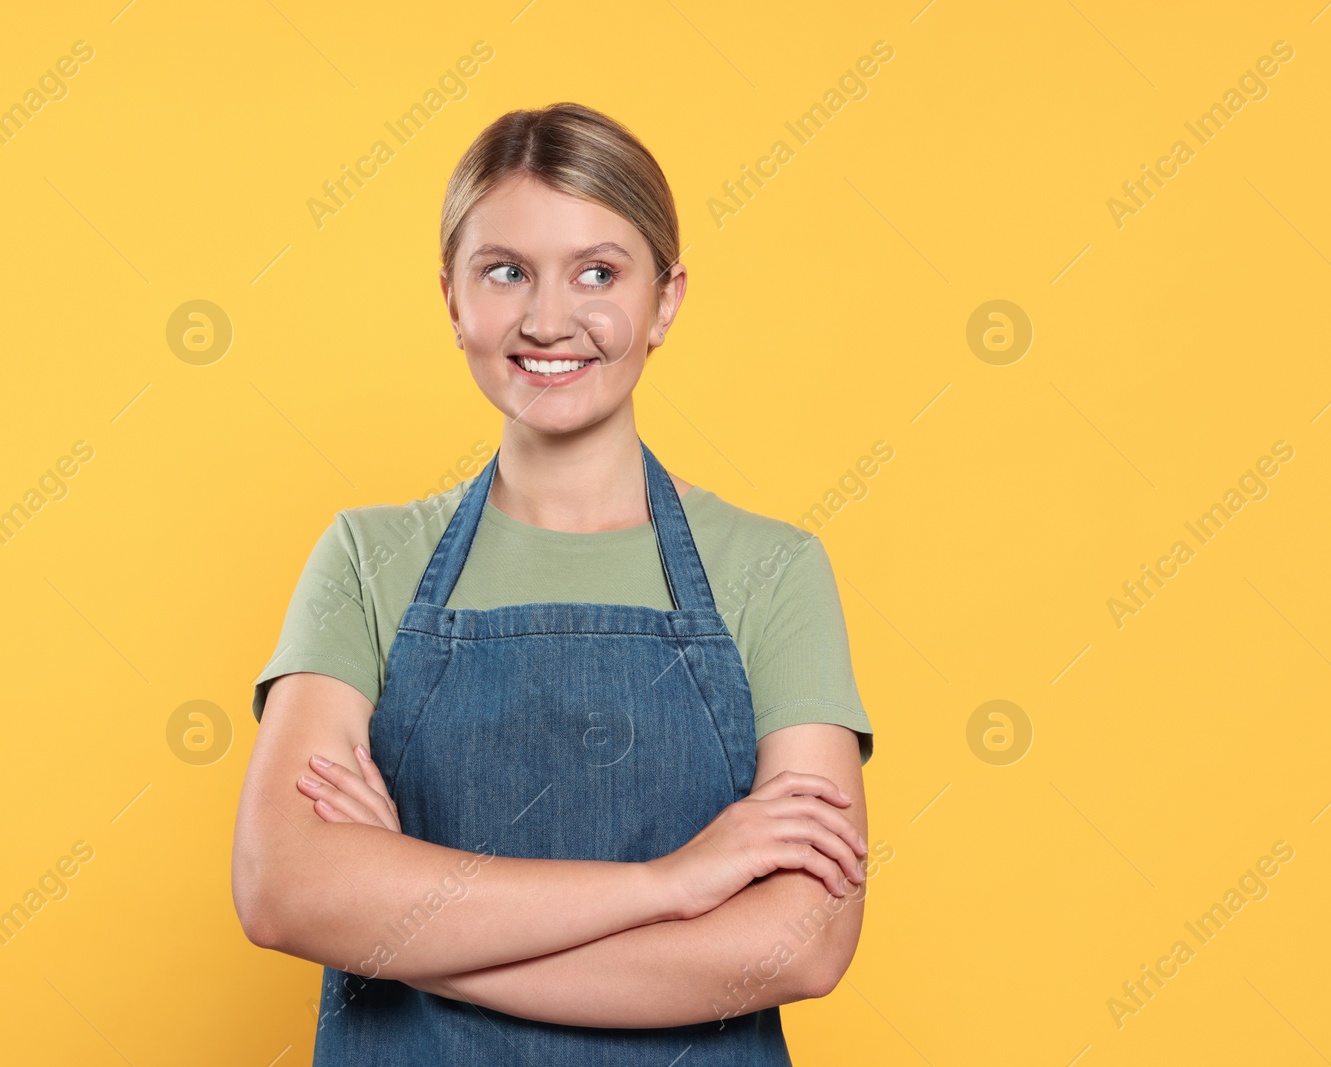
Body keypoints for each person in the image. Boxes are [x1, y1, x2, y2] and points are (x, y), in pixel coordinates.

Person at [231, 102, 876, 1065]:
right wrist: (671, 883)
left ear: (666, 299)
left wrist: (403, 927)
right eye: (505, 272)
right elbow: (282, 886)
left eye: (599, 273)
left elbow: (802, 942)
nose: (547, 319)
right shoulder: (367, 558)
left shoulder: (774, 571)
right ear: (452, 299)